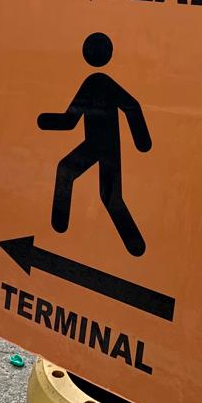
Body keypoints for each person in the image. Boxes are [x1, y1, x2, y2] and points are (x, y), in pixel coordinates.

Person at [37, 32, 152, 257]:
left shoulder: (96, 83)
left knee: (68, 172)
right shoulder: (99, 83)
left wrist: (142, 141)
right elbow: (130, 107)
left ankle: (60, 224)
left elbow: (69, 120)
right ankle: (134, 244)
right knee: (109, 195)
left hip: (98, 145)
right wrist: (141, 141)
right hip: (104, 146)